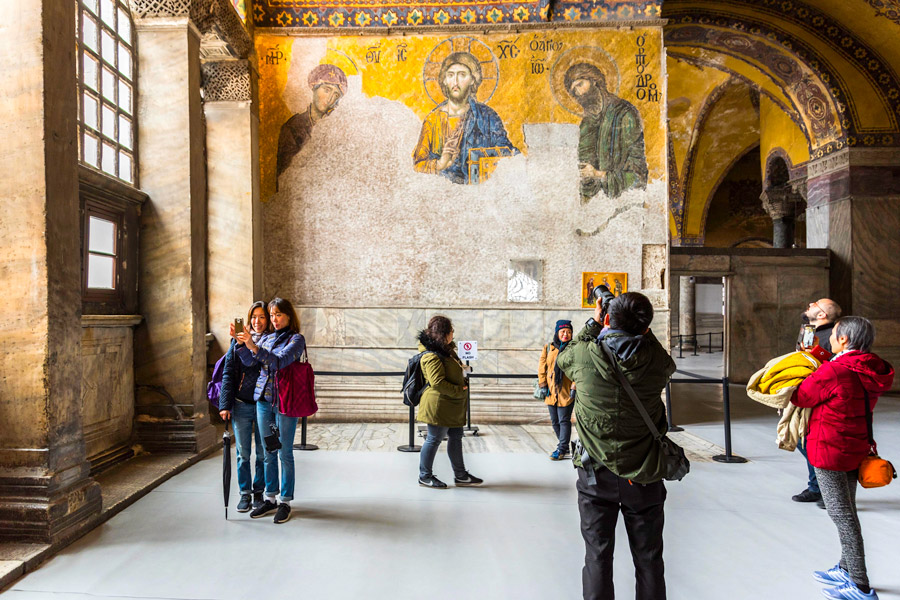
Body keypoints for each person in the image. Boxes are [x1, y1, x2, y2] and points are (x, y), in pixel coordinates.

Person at [557, 292, 675, 600]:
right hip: (644, 474)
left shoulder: (585, 356)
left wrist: (594, 323)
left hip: (596, 475)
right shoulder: (656, 361)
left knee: (597, 556)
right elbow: (667, 363)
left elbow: (563, 357)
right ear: (646, 328)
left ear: (608, 318)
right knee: (649, 559)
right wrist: (643, 330)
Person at [792, 316, 894, 600]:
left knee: (842, 516)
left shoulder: (835, 371)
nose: (830, 339)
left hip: (829, 449)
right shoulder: (872, 368)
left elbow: (801, 397)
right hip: (854, 445)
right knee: (847, 510)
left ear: (844, 339)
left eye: (833, 334)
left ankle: (860, 585)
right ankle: (845, 568)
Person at [234, 297, 307, 524]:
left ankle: (285, 501)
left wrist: (254, 347)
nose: (274, 319)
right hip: (264, 401)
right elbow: (251, 362)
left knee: (285, 453)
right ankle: (271, 498)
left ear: (288, 316)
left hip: (286, 402)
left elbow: (279, 361)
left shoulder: (296, 339)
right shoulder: (267, 337)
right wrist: (241, 343)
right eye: (272, 315)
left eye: (278, 314)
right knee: (268, 452)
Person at [412, 51, 518, 184]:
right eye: (450, 75)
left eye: (462, 75)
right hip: (443, 190)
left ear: (473, 80)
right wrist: (440, 164)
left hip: (479, 189)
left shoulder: (487, 117)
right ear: (444, 80)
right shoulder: (433, 120)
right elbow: (417, 165)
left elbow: (509, 155)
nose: (455, 81)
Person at [564, 63, 648, 202]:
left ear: (594, 80)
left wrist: (599, 174)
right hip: (598, 204)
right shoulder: (587, 123)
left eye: (580, 84)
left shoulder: (625, 114)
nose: (579, 93)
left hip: (625, 202)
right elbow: (585, 169)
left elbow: (639, 177)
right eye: (574, 91)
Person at [416, 315, 483, 489]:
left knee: (456, 437)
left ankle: (461, 476)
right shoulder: (431, 355)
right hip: (439, 405)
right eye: (452, 331)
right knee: (433, 440)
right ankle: (424, 476)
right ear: (444, 333)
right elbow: (437, 383)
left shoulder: (447, 351)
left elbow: (453, 370)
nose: (453, 333)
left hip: (451, 404)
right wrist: (459, 390)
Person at [218, 301, 270, 512]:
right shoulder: (236, 342)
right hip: (241, 405)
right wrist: (225, 404)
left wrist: (248, 344)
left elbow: (257, 365)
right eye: (254, 317)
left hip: (263, 405)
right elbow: (228, 372)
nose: (257, 321)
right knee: (243, 453)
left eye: (262, 317)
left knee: (263, 453)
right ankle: (244, 493)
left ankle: (259, 492)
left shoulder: (270, 341)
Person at [793, 297, 842, 508]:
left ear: (822, 314)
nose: (810, 304)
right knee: (802, 440)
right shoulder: (809, 331)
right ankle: (817, 487)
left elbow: (833, 366)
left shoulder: (832, 336)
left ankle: (826, 489)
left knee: (815, 444)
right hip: (806, 394)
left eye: (815, 304)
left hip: (822, 398)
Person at [276, 64, 348, 179]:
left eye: (336, 95)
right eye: (327, 90)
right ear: (314, 87)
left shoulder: (336, 128)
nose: (329, 99)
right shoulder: (293, 126)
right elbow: (285, 172)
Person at [537, 320, 576, 461]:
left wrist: (574, 386)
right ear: (557, 332)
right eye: (563, 331)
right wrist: (542, 385)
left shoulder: (574, 348)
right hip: (551, 391)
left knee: (564, 420)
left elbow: (578, 370)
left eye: (569, 332)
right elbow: (542, 367)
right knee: (555, 421)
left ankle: (561, 449)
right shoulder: (549, 348)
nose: (566, 334)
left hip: (566, 391)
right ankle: (564, 446)